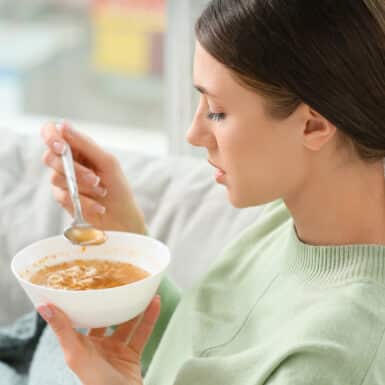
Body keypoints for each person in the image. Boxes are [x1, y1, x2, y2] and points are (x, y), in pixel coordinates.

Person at [39, 0, 385, 384]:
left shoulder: (340, 360)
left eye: (217, 111)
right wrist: (128, 238)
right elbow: (202, 357)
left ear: (312, 127)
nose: (193, 134)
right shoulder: (290, 217)